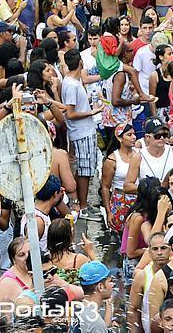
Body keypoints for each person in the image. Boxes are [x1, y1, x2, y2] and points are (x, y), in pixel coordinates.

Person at [61, 49, 103, 218]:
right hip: (81, 132)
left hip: (84, 131)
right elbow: (70, 113)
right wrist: (91, 112)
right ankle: (83, 206)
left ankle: (82, 202)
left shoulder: (72, 81)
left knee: (84, 169)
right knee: (85, 170)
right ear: (80, 63)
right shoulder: (71, 84)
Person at [128, 232, 171, 333]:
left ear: (171, 249)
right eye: (155, 249)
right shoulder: (142, 276)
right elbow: (133, 310)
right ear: (149, 252)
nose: (159, 252)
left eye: (163, 248)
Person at [76, 261, 116, 332]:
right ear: (100, 287)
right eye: (110, 281)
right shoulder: (96, 323)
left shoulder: (78, 309)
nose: (113, 284)